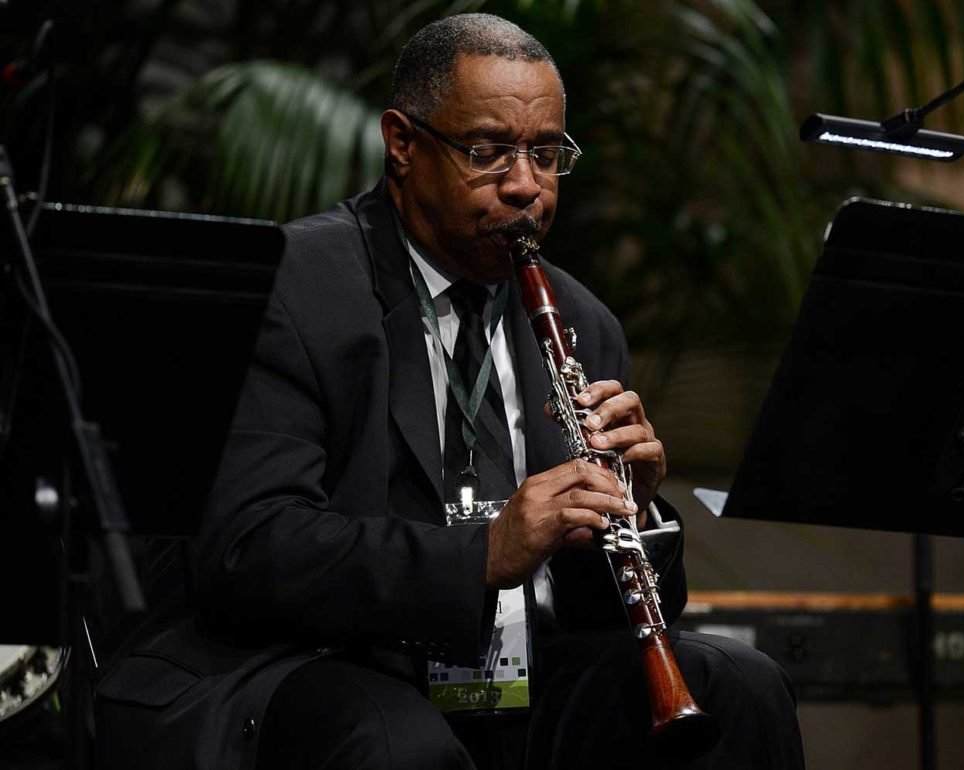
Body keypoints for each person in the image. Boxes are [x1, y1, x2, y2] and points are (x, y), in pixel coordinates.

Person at [94, 13, 805, 770]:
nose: (525, 186)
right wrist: (482, 555)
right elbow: (249, 547)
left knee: (739, 685)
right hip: (317, 665)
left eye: (545, 155)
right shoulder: (295, 287)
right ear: (402, 143)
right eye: (487, 152)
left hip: (512, 678)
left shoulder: (584, 322)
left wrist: (638, 509)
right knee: (397, 739)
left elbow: (598, 613)